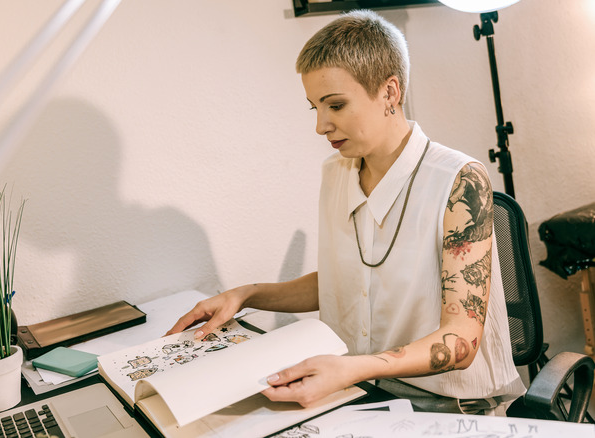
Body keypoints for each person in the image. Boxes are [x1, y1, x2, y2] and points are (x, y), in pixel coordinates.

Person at [167, 9, 525, 414]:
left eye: (335, 105)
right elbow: (345, 281)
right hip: (363, 390)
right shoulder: (336, 173)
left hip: (452, 405)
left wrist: (350, 369)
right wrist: (246, 295)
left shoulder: (459, 180)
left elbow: (461, 342)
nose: (321, 126)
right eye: (314, 108)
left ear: (390, 92)